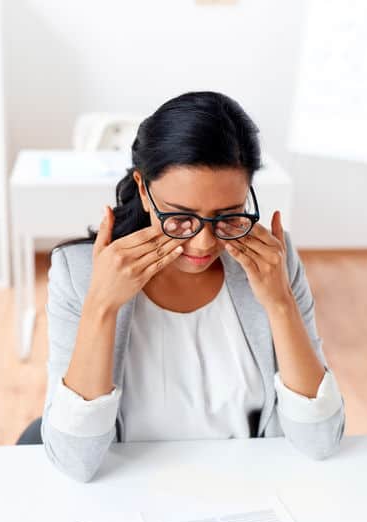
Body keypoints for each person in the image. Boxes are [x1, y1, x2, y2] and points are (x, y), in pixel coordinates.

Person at [33, 91, 345, 482]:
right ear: (144, 190)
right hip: (130, 499)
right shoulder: (78, 274)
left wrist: (280, 303)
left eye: (228, 215)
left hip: (251, 494)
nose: (203, 243)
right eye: (180, 217)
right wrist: (102, 307)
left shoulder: (270, 262)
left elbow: (320, 442)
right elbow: (74, 462)